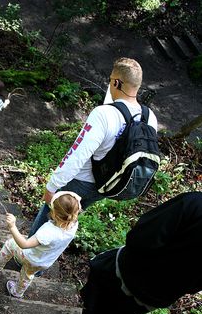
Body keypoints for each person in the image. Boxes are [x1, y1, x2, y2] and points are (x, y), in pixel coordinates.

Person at [49, 192, 202, 314]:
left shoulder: (194, 204)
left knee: (97, 285)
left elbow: (143, 235)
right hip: (161, 294)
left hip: (131, 269)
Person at [29, 57, 158, 236]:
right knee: (66, 222)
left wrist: (52, 186)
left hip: (79, 182)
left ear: (117, 82)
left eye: (111, 79)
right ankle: (45, 258)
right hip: (108, 185)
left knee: (48, 220)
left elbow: (78, 154)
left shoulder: (104, 114)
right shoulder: (149, 116)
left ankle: (26, 255)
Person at [0, 191, 81, 298]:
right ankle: (17, 292)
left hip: (30, 256)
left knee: (11, 244)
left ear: (55, 214)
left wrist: (12, 227)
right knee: (27, 274)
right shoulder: (73, 224)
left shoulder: (48, 232)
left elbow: (24, 244)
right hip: (44, 262)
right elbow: (75, 201)